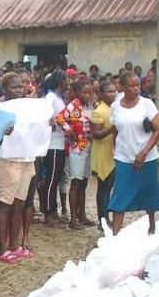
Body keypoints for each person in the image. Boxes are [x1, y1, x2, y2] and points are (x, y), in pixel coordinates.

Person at [109, 72, 159, 234]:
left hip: (147, 157)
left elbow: (158, 129)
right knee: (120, 194)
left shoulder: (146, 104)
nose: (136, 89)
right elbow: (115, 129)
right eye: (132, 86)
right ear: (123, 87)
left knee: (149, 193)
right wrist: (115, 149)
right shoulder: (115, 107)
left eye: (138, 85)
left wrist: (144, 152)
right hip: (124, 157)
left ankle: (151, 224)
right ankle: (115, 234)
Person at [0, 72, 35, 263]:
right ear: (5, 89)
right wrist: (2, 131)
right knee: (4, 205)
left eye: (21, 86)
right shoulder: (0, 109)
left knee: (19, 204)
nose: (19, 90)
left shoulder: (29, 107)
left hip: (26, 158)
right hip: (7, 160)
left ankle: (14, 245)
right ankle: (3, 249)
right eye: (14, 87)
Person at [58, 78, 94, 229]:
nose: (88, 95)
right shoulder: (73, 105)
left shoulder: (90, 106)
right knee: (76, 183)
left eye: (90, 92)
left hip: (88, 147)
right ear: (78, 92)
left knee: (84, 182)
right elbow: (60, 118)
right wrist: (69, 130)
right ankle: (73, 218)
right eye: (85, 92)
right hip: (76, 149)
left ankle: (82, 215)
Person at [39, 69, 68, 226]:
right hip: (53, 144)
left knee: (55, 179)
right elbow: (44, 114)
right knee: (51, 179)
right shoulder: (51, 97)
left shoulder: (59, 98)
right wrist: (51, 123)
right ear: (60, 82)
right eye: (66, 79)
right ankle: (49, 212)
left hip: (60, 143)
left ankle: (53, 210)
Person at [91, 78, 117, 229]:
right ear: (101, 94)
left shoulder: (114, 109)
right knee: (103, 188)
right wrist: (111, 129)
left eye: (114, 91)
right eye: (109, 92)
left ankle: (106, 216)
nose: (113, 94)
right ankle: (102, 219)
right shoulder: (99, 111)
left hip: (112, 153)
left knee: (109, 187)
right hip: (103, 153)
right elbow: (96, 133)